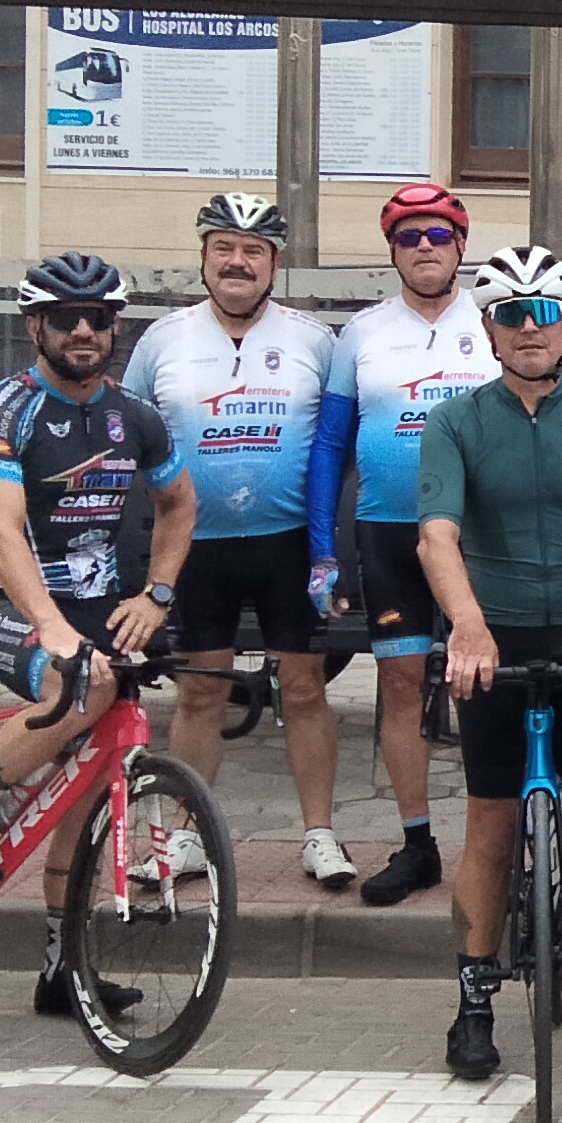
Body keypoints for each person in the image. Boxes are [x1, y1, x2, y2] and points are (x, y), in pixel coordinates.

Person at [0, 253, 200, 1022]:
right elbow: (0, 529)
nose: (84, 331)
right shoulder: (1, 410)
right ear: (35, 326)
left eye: (98, 319)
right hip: (8, 607)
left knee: (86, 780)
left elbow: (180, 504)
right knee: (80, 682)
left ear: (115, 328)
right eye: (65, 319)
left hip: (96, 611)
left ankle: (61, 968)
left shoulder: (135, 416)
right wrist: (49, 627)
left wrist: (157, 595)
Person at [415, 244, 562, 1091]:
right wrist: (468, 627)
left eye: (543, 312)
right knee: (488, 827)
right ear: (487, 329)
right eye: (510, 315)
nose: (528, 328)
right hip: (495, 641)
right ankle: (473, 1006)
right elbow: (436, 535)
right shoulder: (455, 422)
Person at [129, 190, 353, 890]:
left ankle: (319, 835)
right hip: (197, 546)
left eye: (253, 250)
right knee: (200, 693)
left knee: (304, 688)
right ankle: (183, 837)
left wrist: (329, 549)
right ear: (202, 258)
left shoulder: (314, 340)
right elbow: (128, 434)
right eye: (223, 247)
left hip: (287, 544)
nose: (238, 261)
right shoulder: (162, 339)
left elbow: (338, 443)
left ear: (274, 265)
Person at [309, 183, 495, 907]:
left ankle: (499, 842)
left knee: (494, 682)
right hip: (388, 531)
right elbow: (331, 447)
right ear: (391, 250)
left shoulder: (493, 318)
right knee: (399, 683)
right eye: (409, 236)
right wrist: (324, 551)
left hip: (482, 532)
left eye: (438, 235)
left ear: (460, 246)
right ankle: (418, 844)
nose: (424, 247)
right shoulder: (361, 333)